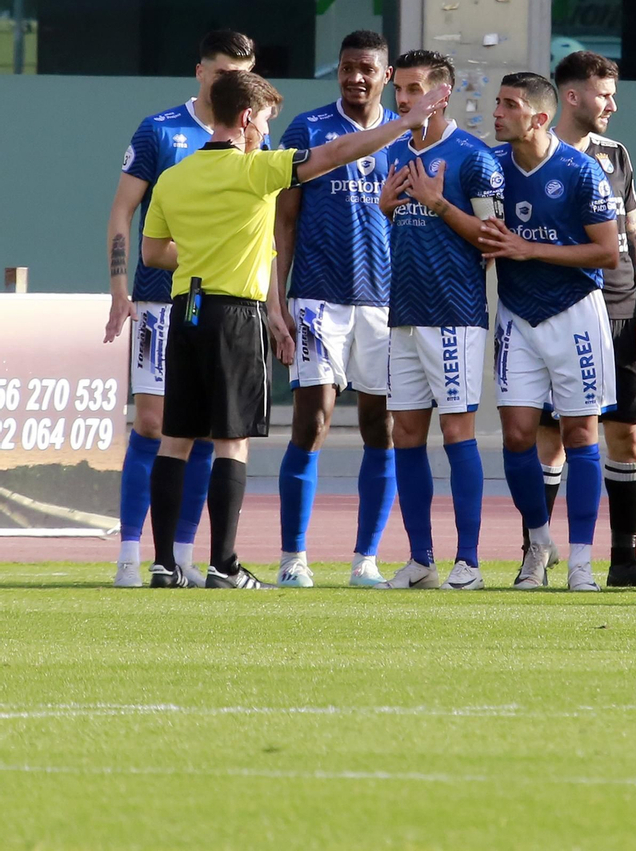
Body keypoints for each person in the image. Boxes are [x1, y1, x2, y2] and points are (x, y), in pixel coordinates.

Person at [139, 71, 448, 588]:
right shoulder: (258, 170)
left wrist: (199, 255)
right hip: (234, 314)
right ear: (244, 119)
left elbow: (152, 254)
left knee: (175, 441)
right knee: (230, 443)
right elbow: (336, 154)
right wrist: (407, 124)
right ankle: (224, 566)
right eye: (262, 120)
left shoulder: (174, 177)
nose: (264, 129)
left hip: (185, 311)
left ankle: (165, 564)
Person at [104, 30, 263, 587]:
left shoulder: (252, 141)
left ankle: (184, 554)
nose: (230, 83)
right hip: (159, 296)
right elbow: (124, 210)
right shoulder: (160, 130)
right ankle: (131, 550)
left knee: (206, 427)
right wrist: (119, 286)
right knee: (154, 424)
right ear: (201, 72)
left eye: (240, 74)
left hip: (216, 301)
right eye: (222, 73)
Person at [532, 51, 636, 587]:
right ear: (572, 96)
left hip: (622, 313)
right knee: (554, 438)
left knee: (627, 437)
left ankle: (625, 560)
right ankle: (538, 555)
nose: (613, 105)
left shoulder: (616, 155)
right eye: (604, 94)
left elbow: (633, 233)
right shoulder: (534, 156)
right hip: (559, 314)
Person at [479, 72, 620, 592]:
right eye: (497, 103)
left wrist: (528, 248)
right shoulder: (490, 167)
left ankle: (582, 562)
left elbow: (608, 252)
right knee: (517, 436)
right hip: (516, 314)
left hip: (574, 314)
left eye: (508, 105)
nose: (497, 113)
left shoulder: (581, 171)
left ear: (538, 117)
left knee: (581, 435)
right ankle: (539, 543)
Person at [272, 30, 400, 588]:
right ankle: (293, 559)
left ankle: (365, 560)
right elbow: (284, 219)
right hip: (319, 297)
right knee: (312, 421)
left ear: (385, 75)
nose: (356, 77)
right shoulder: (308, 128)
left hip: (385, 304)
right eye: (348, 67)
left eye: (367, 69)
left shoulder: (405, 136)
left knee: (382, 428)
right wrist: (277, 301)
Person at [377, 51, 505, 591]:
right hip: (403, 313)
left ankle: (469, 563)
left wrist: (437, 203)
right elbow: (397, 225)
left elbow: (495, 240)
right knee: (404, 433)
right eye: (399, 90)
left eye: (413, 90)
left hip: (454, 315)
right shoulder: (394, 152)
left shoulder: (474, 158)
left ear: (441, 94)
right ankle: (421, 560)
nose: (402, 100)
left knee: (457, 431)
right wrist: (386, 208)